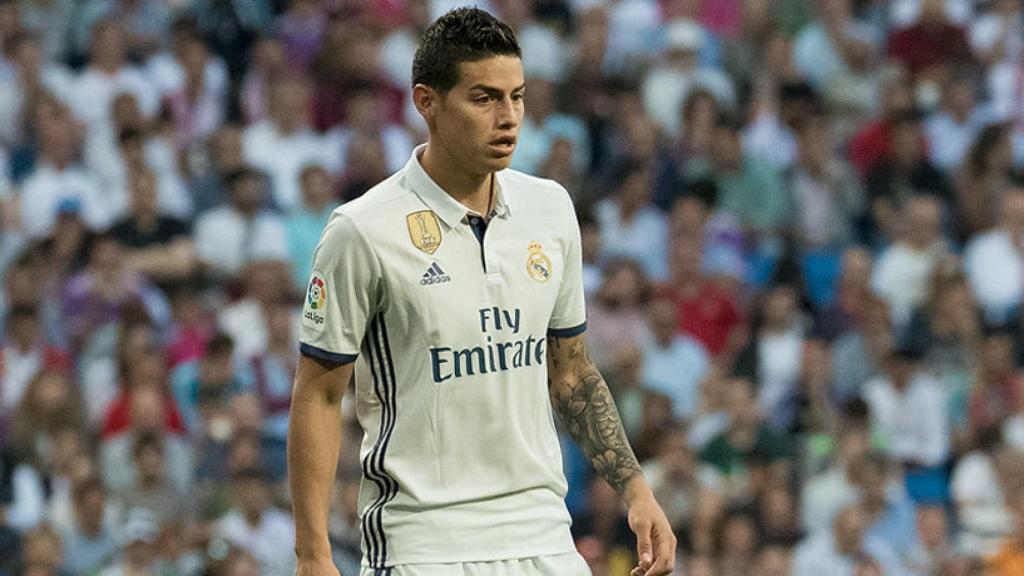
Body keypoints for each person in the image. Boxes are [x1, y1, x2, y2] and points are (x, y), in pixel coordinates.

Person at [288, 8, 675, 576]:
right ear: (427, 102)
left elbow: (569, 372)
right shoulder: (362, 230)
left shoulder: (550, 209)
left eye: (517, 96)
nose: (509, 117)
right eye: (484, 98)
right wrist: (312, 553)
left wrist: (636, 490)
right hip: (423, 544)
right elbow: (319, 394)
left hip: (544, 535)